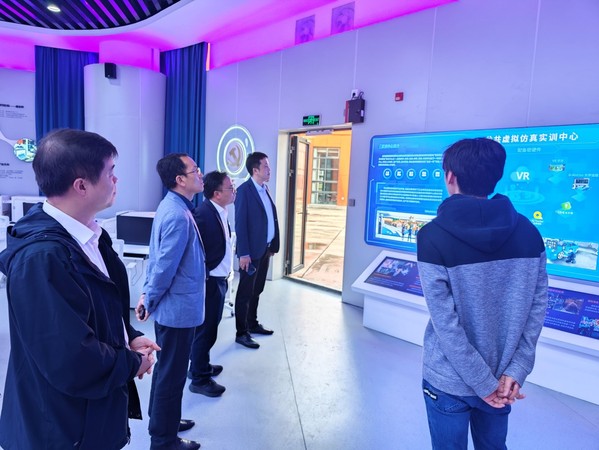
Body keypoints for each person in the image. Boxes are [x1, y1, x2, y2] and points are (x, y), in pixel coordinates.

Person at [0, 128, 159, 449]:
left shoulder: (90, 236)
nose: (116, 180)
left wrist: (127, 336)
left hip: (89, 417)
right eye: (110, 172)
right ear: (82, 185)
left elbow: (98, 307)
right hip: (61, 428)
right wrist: (133, 362)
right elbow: (70, 359)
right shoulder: (42, 258)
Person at [416, 138, 548, 450]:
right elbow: (537, 307)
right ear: (496, 176)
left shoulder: (432, 236)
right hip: (502, 380)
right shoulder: (529, 232)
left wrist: (483, 385)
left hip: (450, 380)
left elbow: (446, 325)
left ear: (450, 177)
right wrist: (516, 369)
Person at [136, 153, 206, 450]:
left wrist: (146, 295)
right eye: (195, 170)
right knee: (172, 376)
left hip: (173, 308)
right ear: (180, 179)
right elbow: (164, 266)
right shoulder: (177, 214)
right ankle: (164, 440)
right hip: (177, 312)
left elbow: (157, 259)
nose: (200, 174)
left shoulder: (171, 205)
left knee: (167, 371)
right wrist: (149, 298)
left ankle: (163, 420)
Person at [188, 171, 235, 397]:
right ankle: (200, 379)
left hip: (220, 278)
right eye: (230, 188)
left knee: (210, 328)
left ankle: (200, 365)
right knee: (205, 331)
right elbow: (194, 251)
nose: (234, 191)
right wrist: (205, 274)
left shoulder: (220, 211)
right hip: (210, 281)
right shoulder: (203, 214)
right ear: (217, 193)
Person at [234, 151, 280, 349]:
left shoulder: (264, 189)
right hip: (250, 253)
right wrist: (243, 253)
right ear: (255, 170)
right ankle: (241, 332)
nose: (269, 169)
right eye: (266, 166)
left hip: (265, 250)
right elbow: (240, 224)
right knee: (245, 292)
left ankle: (252, 324)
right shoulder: (244, 191)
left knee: (257, 289)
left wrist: (272, 244)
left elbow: (269, 218)